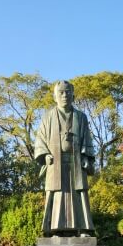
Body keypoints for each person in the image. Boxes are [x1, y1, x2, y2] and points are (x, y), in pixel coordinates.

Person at [34, 80, 95, 236]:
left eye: (68, 92)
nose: (64, 95)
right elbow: (40, 139)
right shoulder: (48, 117)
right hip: (55, 163)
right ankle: (55, 229)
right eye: (61, 92)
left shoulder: (81, 117)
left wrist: (85, 157)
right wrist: (45, 154)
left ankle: (82, 229)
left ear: (73, 95)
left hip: (75, 162)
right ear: (55, 96)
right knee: (57, 195)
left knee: (78, 194)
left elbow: (86, 138)